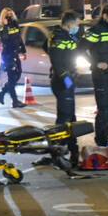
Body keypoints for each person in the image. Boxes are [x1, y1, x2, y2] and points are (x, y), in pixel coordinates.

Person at [81, 5, 108, 147]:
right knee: (104, 109)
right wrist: (96, 63)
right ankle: (101, 140)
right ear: (104, 16)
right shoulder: (95, 31)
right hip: (101, 75)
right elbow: (80, 49)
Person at [45, 11, 82, 166]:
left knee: (70, 118)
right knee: (64, 119)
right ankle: (57, 152)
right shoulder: (58, 37)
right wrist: (66, 78)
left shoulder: (66, 36)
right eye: (77, 24)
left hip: (67, 79)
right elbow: (57, 60)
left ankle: (73, 152)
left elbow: (45, 47)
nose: (78, 27)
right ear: (69, 23)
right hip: (62, 80)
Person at [0, 7, 27, 108]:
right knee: (12, 78)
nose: (9, 16)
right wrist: (5, 26)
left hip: (15, 53)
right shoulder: (0, 26)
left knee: (17, 75)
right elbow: (5, 39)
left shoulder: (14, 24)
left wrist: (23, 51)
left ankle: (2, 93)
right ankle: (15, 101)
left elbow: (19, 38)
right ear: (3, 16)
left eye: (10, 14)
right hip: (8, 55)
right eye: (7, 14)